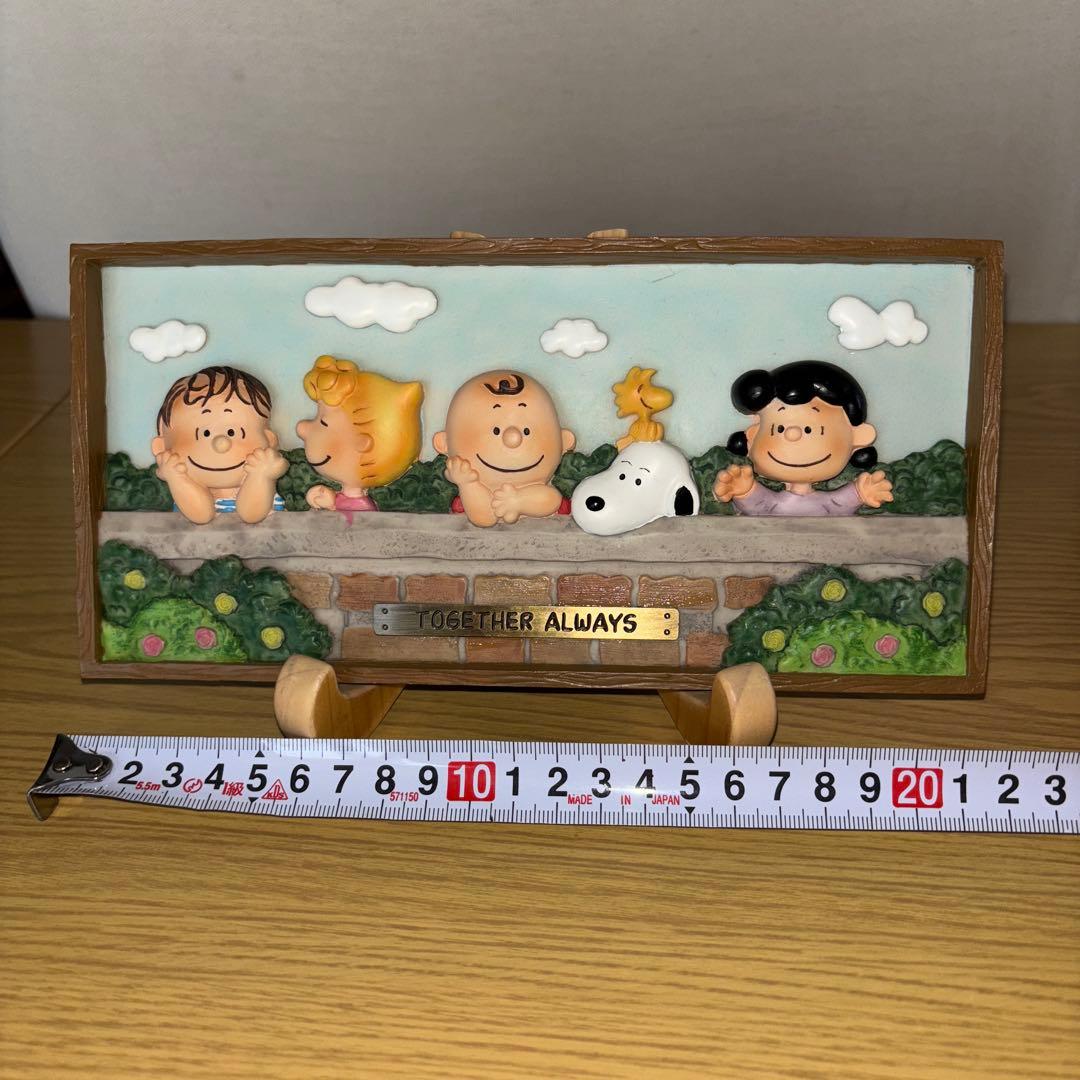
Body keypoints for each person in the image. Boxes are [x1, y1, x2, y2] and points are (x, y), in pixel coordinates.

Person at [714, 360, 893, 516]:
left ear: (858, 436)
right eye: (779, 429)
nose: (793, 434)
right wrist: (744, 491)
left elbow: (838, 504)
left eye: (811, 429)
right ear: (752, 436)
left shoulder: (827, 503)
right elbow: (761, 506)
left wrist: (862, 493)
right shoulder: (774, 502)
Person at [433, 370, 576, 526]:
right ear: (444, 443)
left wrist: (518, 501)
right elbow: (485, 518)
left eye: (526, 431)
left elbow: (551, 499)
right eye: (496, 431)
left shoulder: (546, 492)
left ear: (564, 441)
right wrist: (468, 484)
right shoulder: (471, 490)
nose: (513, 439)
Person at [152, 365, 287, 524]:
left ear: (269, 441)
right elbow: (201, 515)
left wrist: (261, 475)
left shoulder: (262, 485)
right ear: (161, 448)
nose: (221, 444)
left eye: (232, 432)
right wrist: (176, 478)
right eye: (204, 433)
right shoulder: (184, 491)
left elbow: (252, 515)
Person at [297, 355, 423, 515]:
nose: (302, 428)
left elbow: (350, 525)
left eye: (323, 422)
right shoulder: (349, 500)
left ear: (361, 444)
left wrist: (331, 505)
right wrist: (328, 501)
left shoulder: (360, 508)